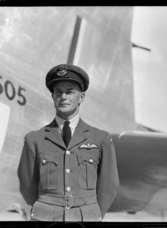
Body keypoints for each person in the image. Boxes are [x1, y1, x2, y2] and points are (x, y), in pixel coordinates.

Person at [17, 64, 119, 221]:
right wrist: (44, 209)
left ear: (81, 97)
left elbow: (109, 185)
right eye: (58, 92)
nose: (63, 97)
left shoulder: (101, 139)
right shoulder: (34, 139)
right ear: (52, 97)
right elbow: (27, 185)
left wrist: (94, 214)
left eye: (70, 92)